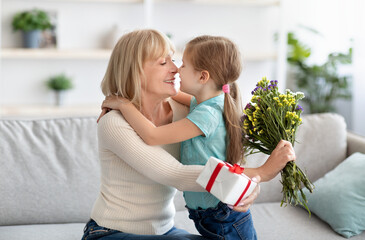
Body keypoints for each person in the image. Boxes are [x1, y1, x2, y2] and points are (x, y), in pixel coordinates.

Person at [82, 29, 296, 240]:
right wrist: (260, 172)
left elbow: (223, 148)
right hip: (111, 232)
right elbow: (175, 174)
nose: (175, 69)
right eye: (163, 62)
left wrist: (249, 187)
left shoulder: (188, 111)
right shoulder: (114, 123)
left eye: (174, 60)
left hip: (164, 231)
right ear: (134, 71)